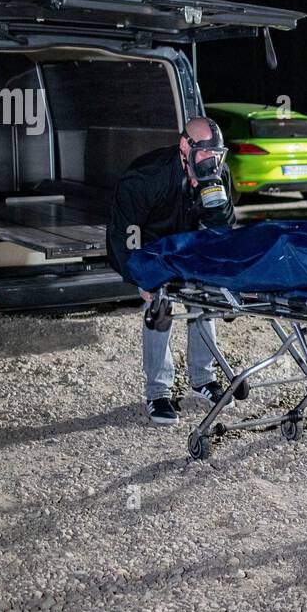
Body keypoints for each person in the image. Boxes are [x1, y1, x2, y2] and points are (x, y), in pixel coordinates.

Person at [108, 117, 235, 425]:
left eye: (215, 152)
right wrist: (140, 276)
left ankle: (203, 378)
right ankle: (157, 392)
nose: (211, 160)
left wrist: (214, 207)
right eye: (204, 152)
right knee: (159, 303)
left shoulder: (219, 174)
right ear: (184, 147)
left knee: (205, 299)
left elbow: (224, 228)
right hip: (151, 243)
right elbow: (124, 233)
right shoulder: (145, 177)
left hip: (190, 242)